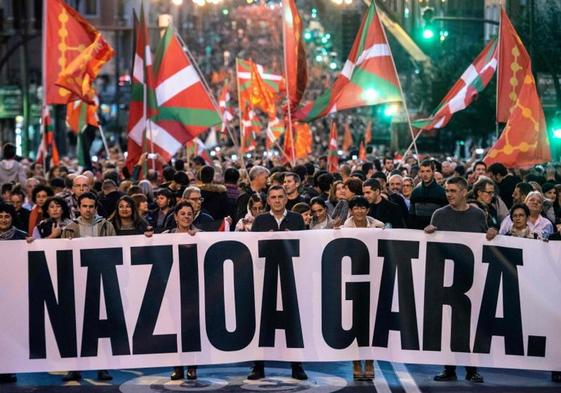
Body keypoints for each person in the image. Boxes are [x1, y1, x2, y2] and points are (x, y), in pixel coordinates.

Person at [425, 176, 497, 384]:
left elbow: (488, 239)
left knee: (470, 325)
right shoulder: (439, 215)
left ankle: (472, 369)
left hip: (471, 278)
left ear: (465, 192)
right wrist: (428, 233)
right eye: (447, 191)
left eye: (453, 191)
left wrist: (493, 233)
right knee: (448, 325)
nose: (449, 194)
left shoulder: (477, 215)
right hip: (446, 280)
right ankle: (449, 368)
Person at [248, 185, 307, 381]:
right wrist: (267, 239)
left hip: (291, 277)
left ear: (286, 199)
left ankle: (297, 365)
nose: (277, 200)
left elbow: (306, 248)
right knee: (262, 320)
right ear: (268, 200)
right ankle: (258, 366)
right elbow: (253, 249)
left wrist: (293, 239)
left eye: (280, 197)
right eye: (273, 197)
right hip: (266, 277)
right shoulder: (261, 220)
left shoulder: (297, 219)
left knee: (293, 320)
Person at [61, 192, 116, 382]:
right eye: (84, 206)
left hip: (101, 282)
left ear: (96, 207)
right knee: (74, 327)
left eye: (91, 206)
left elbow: (114, 252)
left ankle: (102, 368)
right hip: (76, 284)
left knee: (101, 327)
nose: (88, 209)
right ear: (78, 207)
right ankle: (74, 367)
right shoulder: (69, 228)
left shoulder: (106, 226)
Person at [165, 201, 200, 380]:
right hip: (172, 289)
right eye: (183, 213)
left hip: (194, 289)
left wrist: (199, 239)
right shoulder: (165, 235)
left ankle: (192, 366)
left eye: (189, 214)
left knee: (191, 328)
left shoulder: (200, 235)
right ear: (176, 216)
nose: (186, 216)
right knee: (175, 328)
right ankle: (177, 367)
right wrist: (147, 237)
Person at [0, 203, 26, 383]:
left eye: (7, 217)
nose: (3, 220)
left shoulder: (22, 237)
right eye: (0, 217)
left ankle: (8, 369)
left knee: (10, 333)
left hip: (13, 293)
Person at [409, 160, 447, 229]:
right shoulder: (415, 192)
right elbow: (411, 215)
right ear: (419, 173)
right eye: (422, 171)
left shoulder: (442, 192)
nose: (425, 174)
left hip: (436, 233)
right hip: (417, 233)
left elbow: (445, 216)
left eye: (428, 171)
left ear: (433, 172)